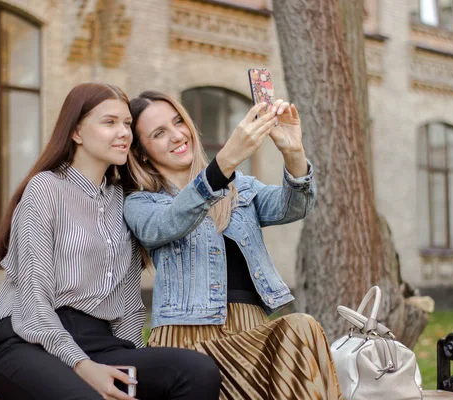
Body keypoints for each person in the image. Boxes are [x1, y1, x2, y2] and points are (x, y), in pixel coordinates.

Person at [0, 83, 221, 400]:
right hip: (27, 338)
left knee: (197, 371)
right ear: (77, 132)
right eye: (109, 123)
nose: (123, 132)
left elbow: (128, 307)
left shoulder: (125, 201)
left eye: (126, 124)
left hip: (100, 341)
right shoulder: (46, 188)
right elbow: (34, 304)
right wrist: (83, 365)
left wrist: (134, 367)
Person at [123, 90, 341, 400]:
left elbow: (293, 207)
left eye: (178, 122)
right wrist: (225, 161)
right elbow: (170, 221)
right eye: (159, 133)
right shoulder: (142, 203)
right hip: (190, 338)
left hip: (252, 330)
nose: (176, 136)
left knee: (301, 333)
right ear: (142, 152)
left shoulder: (240, 187)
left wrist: (294, 151)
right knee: (300, 328)